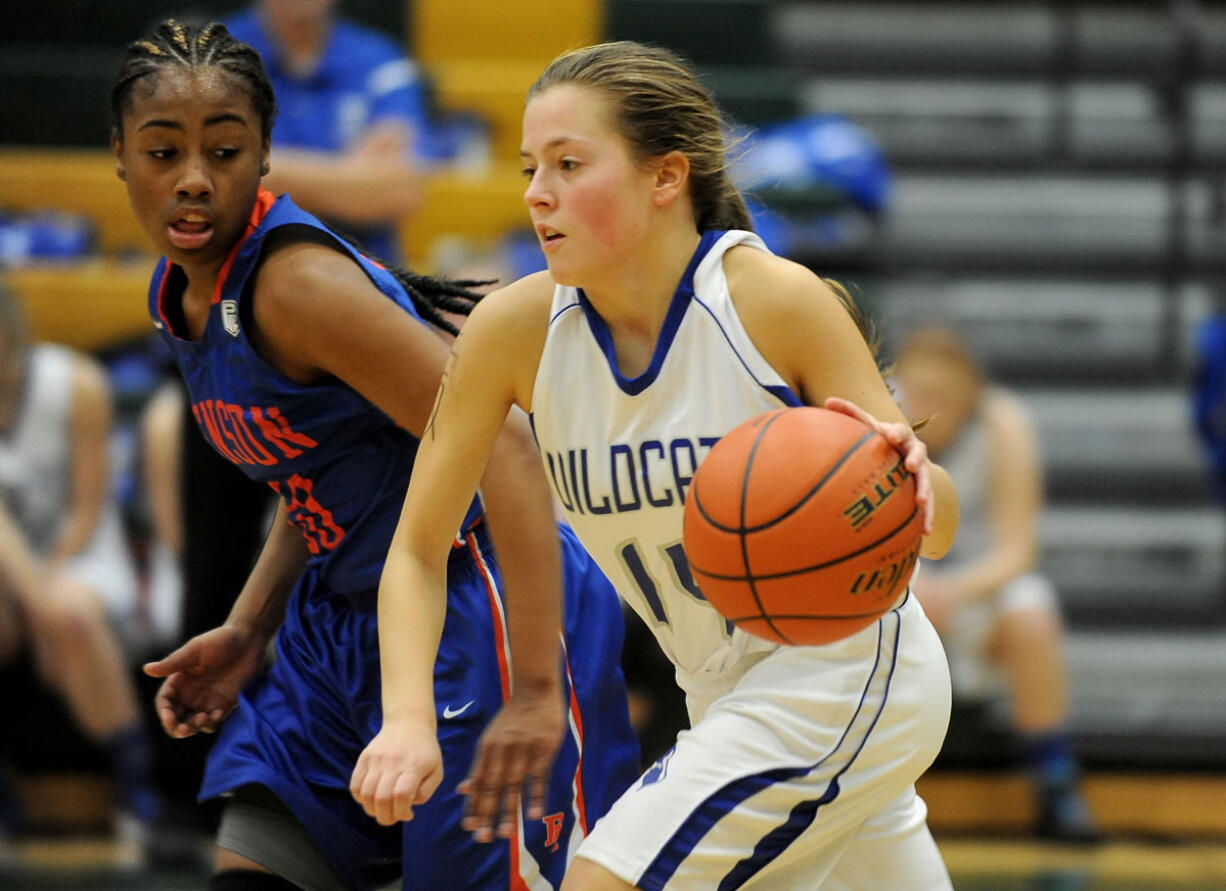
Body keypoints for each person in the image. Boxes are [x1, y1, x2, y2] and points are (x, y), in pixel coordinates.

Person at [351, 41, 961, 889]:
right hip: (722, 695)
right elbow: (417, 550)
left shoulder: (770, 302)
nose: (536, 192)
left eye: (569, 164)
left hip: (845, 673)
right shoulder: (513, 331)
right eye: (531, 167)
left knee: (605, 877)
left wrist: (916, 484)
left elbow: (935, 532)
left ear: (665, 177)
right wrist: (408, 719)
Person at [110, 19, 639, 891]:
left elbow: (503, 443)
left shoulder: (293, 286)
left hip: (479, 597)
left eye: (226, 150)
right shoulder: (182, 293)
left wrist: (539, 685)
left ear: (267, 156)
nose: (194, 180)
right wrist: (251, 625)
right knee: (254, 865)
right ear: (121, 160)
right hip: (341, 615)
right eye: (163, 153)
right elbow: (318, 468)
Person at [892, 325, 1100, 843]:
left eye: (943, 396)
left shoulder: (1002, 422)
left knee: (1032, 609)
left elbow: (1018, 552)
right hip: (895, 592)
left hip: (972, 595)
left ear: (970, 394)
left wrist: (951, 591)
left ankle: (1056, 784)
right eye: (921, 395)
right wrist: (912, 589)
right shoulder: (881, 416)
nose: (931, 408)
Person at [0, 283, 161, 843]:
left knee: (69, 614)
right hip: (10, 567)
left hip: (85, 551)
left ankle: (138, 781)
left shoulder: (76, 384)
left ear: (16, 337)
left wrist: (44, 594)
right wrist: (30, 595)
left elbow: (89, 509)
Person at [225, 0, 426, 264]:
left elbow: (399, 191)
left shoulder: (381, 58)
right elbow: (219, 181)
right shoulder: (213, 59)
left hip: (367, 277)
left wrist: (271, 171)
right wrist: (352, 176)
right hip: (245, 273)